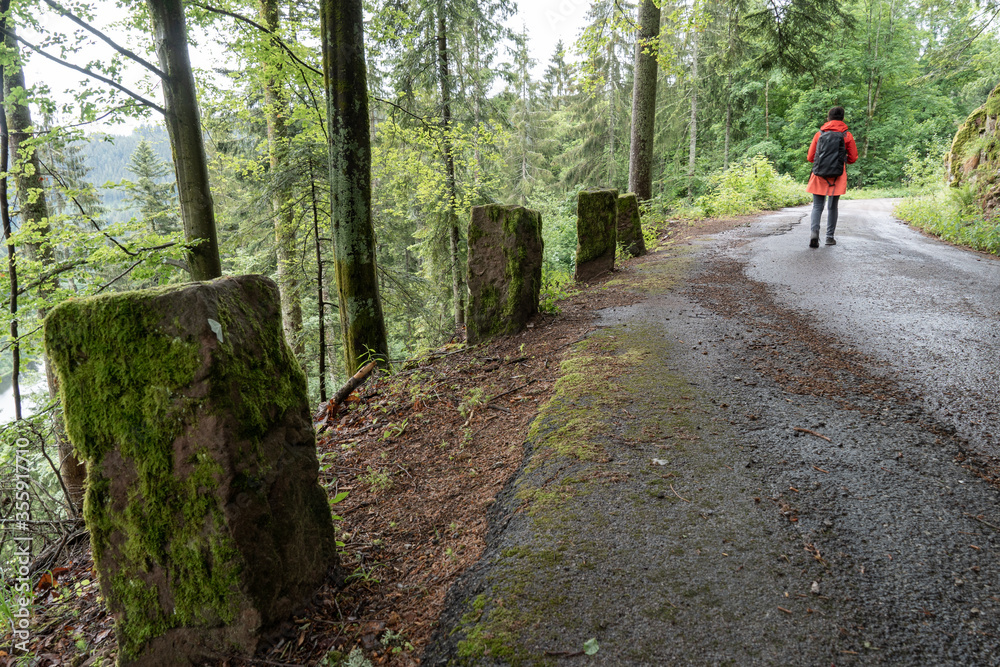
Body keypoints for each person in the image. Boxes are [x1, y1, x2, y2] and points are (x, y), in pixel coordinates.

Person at [806, 106, 858, 247]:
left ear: (828, 118)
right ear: (842, 118)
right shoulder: (847, 135)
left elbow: (810, 157)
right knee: (833, 207)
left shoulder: (819, 134)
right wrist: (841, 159)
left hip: (819, 174)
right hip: (837, 175)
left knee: (817, 206)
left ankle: (814, 233)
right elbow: (853, 158)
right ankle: (829, 238)